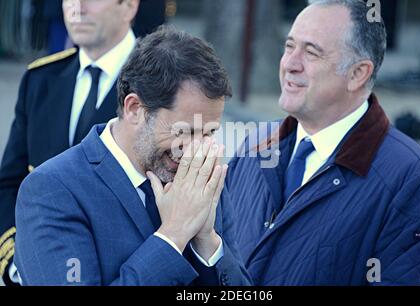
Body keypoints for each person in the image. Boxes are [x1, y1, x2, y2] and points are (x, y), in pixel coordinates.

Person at [226, 0, 420, 285]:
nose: (290, 64)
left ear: (358, 74)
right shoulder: (255, 146)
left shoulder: (410, 177)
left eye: (311, 53)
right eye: (289, 46)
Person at [14, 26, 251, 286]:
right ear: (135, 108)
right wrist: (174, 235)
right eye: (185, 131)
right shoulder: (52, 191)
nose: (196, 150)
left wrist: (207, 241)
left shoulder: (204, 182)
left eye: (209, 133)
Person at [0, 0, 140, 285]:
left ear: (129, 5)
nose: (76, 8)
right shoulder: (40, 80)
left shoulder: (164, 86)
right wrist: (20, 262)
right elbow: (8, 184)